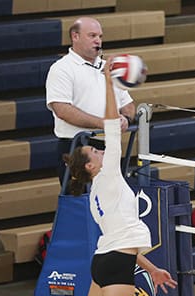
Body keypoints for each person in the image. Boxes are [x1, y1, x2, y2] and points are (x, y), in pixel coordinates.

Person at [29, 60, 176, 296]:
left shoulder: (95, 193)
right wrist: (110, 83)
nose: (99, 151)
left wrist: (151, 267)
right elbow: (112, 123)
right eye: (94, 153)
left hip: (106, 262)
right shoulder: (107, 173)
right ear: (92, 165)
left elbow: (123, 238)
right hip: (115, 266)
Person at [46, 17, 135, 186]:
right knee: (80, 202)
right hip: (77, 146)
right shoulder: (62, 68)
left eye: (100, 36)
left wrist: (126, 118)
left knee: (112, 201)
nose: (98, 40)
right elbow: (62, 110)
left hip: (107, 145)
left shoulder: (109, 67)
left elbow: (128, 104)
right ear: (75, 36)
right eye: (92, 35)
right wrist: (104, 123)